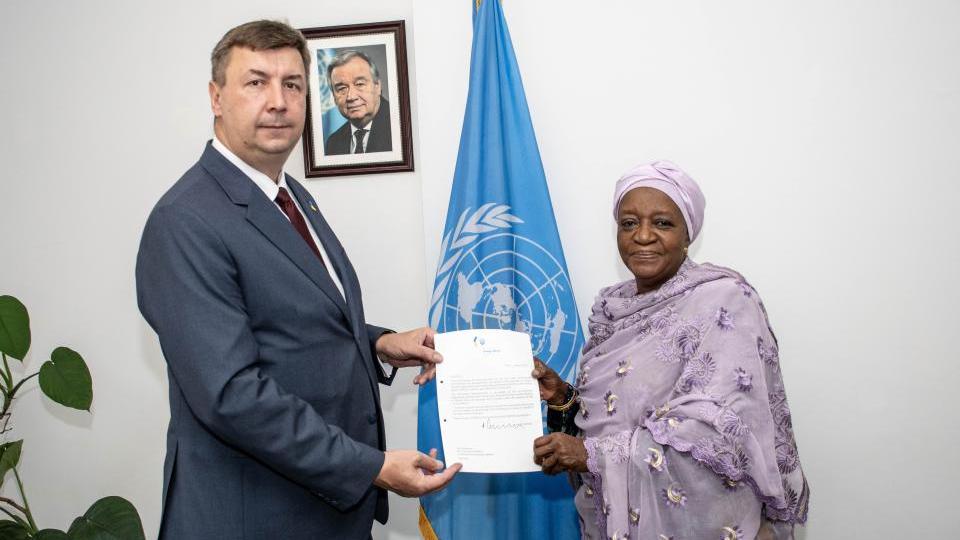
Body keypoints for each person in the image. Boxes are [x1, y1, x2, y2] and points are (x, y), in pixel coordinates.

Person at [135, 20, 458, 540]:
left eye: (292, 85)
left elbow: (289, 321)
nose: (279, 101)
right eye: (256, 82)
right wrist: (369, 466)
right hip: (254, 517)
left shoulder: (291, 197)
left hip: (319, 513)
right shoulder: (185, 220)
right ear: (217, 98)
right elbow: (232, 393)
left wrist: (379, 343)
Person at [532, 161, 808, 539]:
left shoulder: (725, 301)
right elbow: (616, 414)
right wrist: (563, 397)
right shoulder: (611, 309)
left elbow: (721, 434)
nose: (643, 236)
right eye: (629, 223)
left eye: (662, 223)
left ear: (688, 233)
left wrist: (594, 456)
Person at [323, 50, 393, 155]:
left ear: (377, 86)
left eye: (359, 84)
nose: (351, 96)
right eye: (342, 88)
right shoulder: (333, 143)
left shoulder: (399, 127)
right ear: (334, 97)